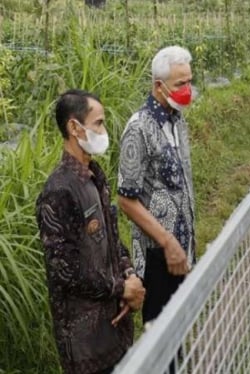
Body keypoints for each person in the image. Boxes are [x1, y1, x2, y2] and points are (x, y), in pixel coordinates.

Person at [36, 89, 145, 374]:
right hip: (85, 344)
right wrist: (121, 288)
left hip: (115, 325)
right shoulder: (59, 191)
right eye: (98, 123)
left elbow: (111, 238)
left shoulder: (95, 176)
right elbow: (65, 270)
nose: (103, 130)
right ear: (74, 127)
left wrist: (129, 275)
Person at [118, 45, 196, 325]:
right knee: (160, 333)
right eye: (180, 84)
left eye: (189, 81)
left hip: (182, 247)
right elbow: (126, 199)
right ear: (159, 86)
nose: (188, 89)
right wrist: (167, 241)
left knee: (179, 327)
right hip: (157, 253)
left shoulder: (177, 120)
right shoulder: (138, 129)